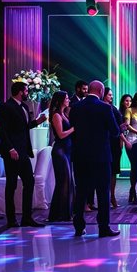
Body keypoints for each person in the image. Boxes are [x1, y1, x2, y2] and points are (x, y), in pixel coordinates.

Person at [69, 80, 121, 238]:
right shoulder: (105, 108)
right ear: (100, 91)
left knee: (81, 192)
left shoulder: (76, 107)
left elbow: (73, 129)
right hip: (101, 157)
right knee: (103, 193)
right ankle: (103, 227)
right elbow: (114, 131)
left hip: (80, 156)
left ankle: (79, 227)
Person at [0, 81, 48, 227]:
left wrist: (38, 121)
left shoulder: (24, 107)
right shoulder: (6, 107)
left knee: (29, 182)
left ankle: (27, 217)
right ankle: (11, 219)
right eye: (26, 91)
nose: (27, 93)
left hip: (23, 152)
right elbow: (2, 130)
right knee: (11, 185)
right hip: (12, 153)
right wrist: (10, 149)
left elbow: (24, 128)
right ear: (20, 92)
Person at [47, 91, 75, 222]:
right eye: (67, 98)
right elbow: (61, 134)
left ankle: (65, 212)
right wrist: (73, 129)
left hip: (67, 150)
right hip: (60, 151)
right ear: (60, 100)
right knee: (63, 182)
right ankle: (59, 214)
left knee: (68, 182)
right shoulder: (56, 115)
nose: (68, 100)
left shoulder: (64, 114)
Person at [104, 87, 129, 208]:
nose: (111, 97)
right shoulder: (106, 109)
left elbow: (119, 127)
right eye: (109, 95)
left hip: (115, 144)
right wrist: (121, 130)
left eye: (112, 95)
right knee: (106, 172)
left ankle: (112, 196)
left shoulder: (113, 108)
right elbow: (116, 128)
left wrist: (122, 129)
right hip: (108, 143)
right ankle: (107, 198)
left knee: (113, 172)